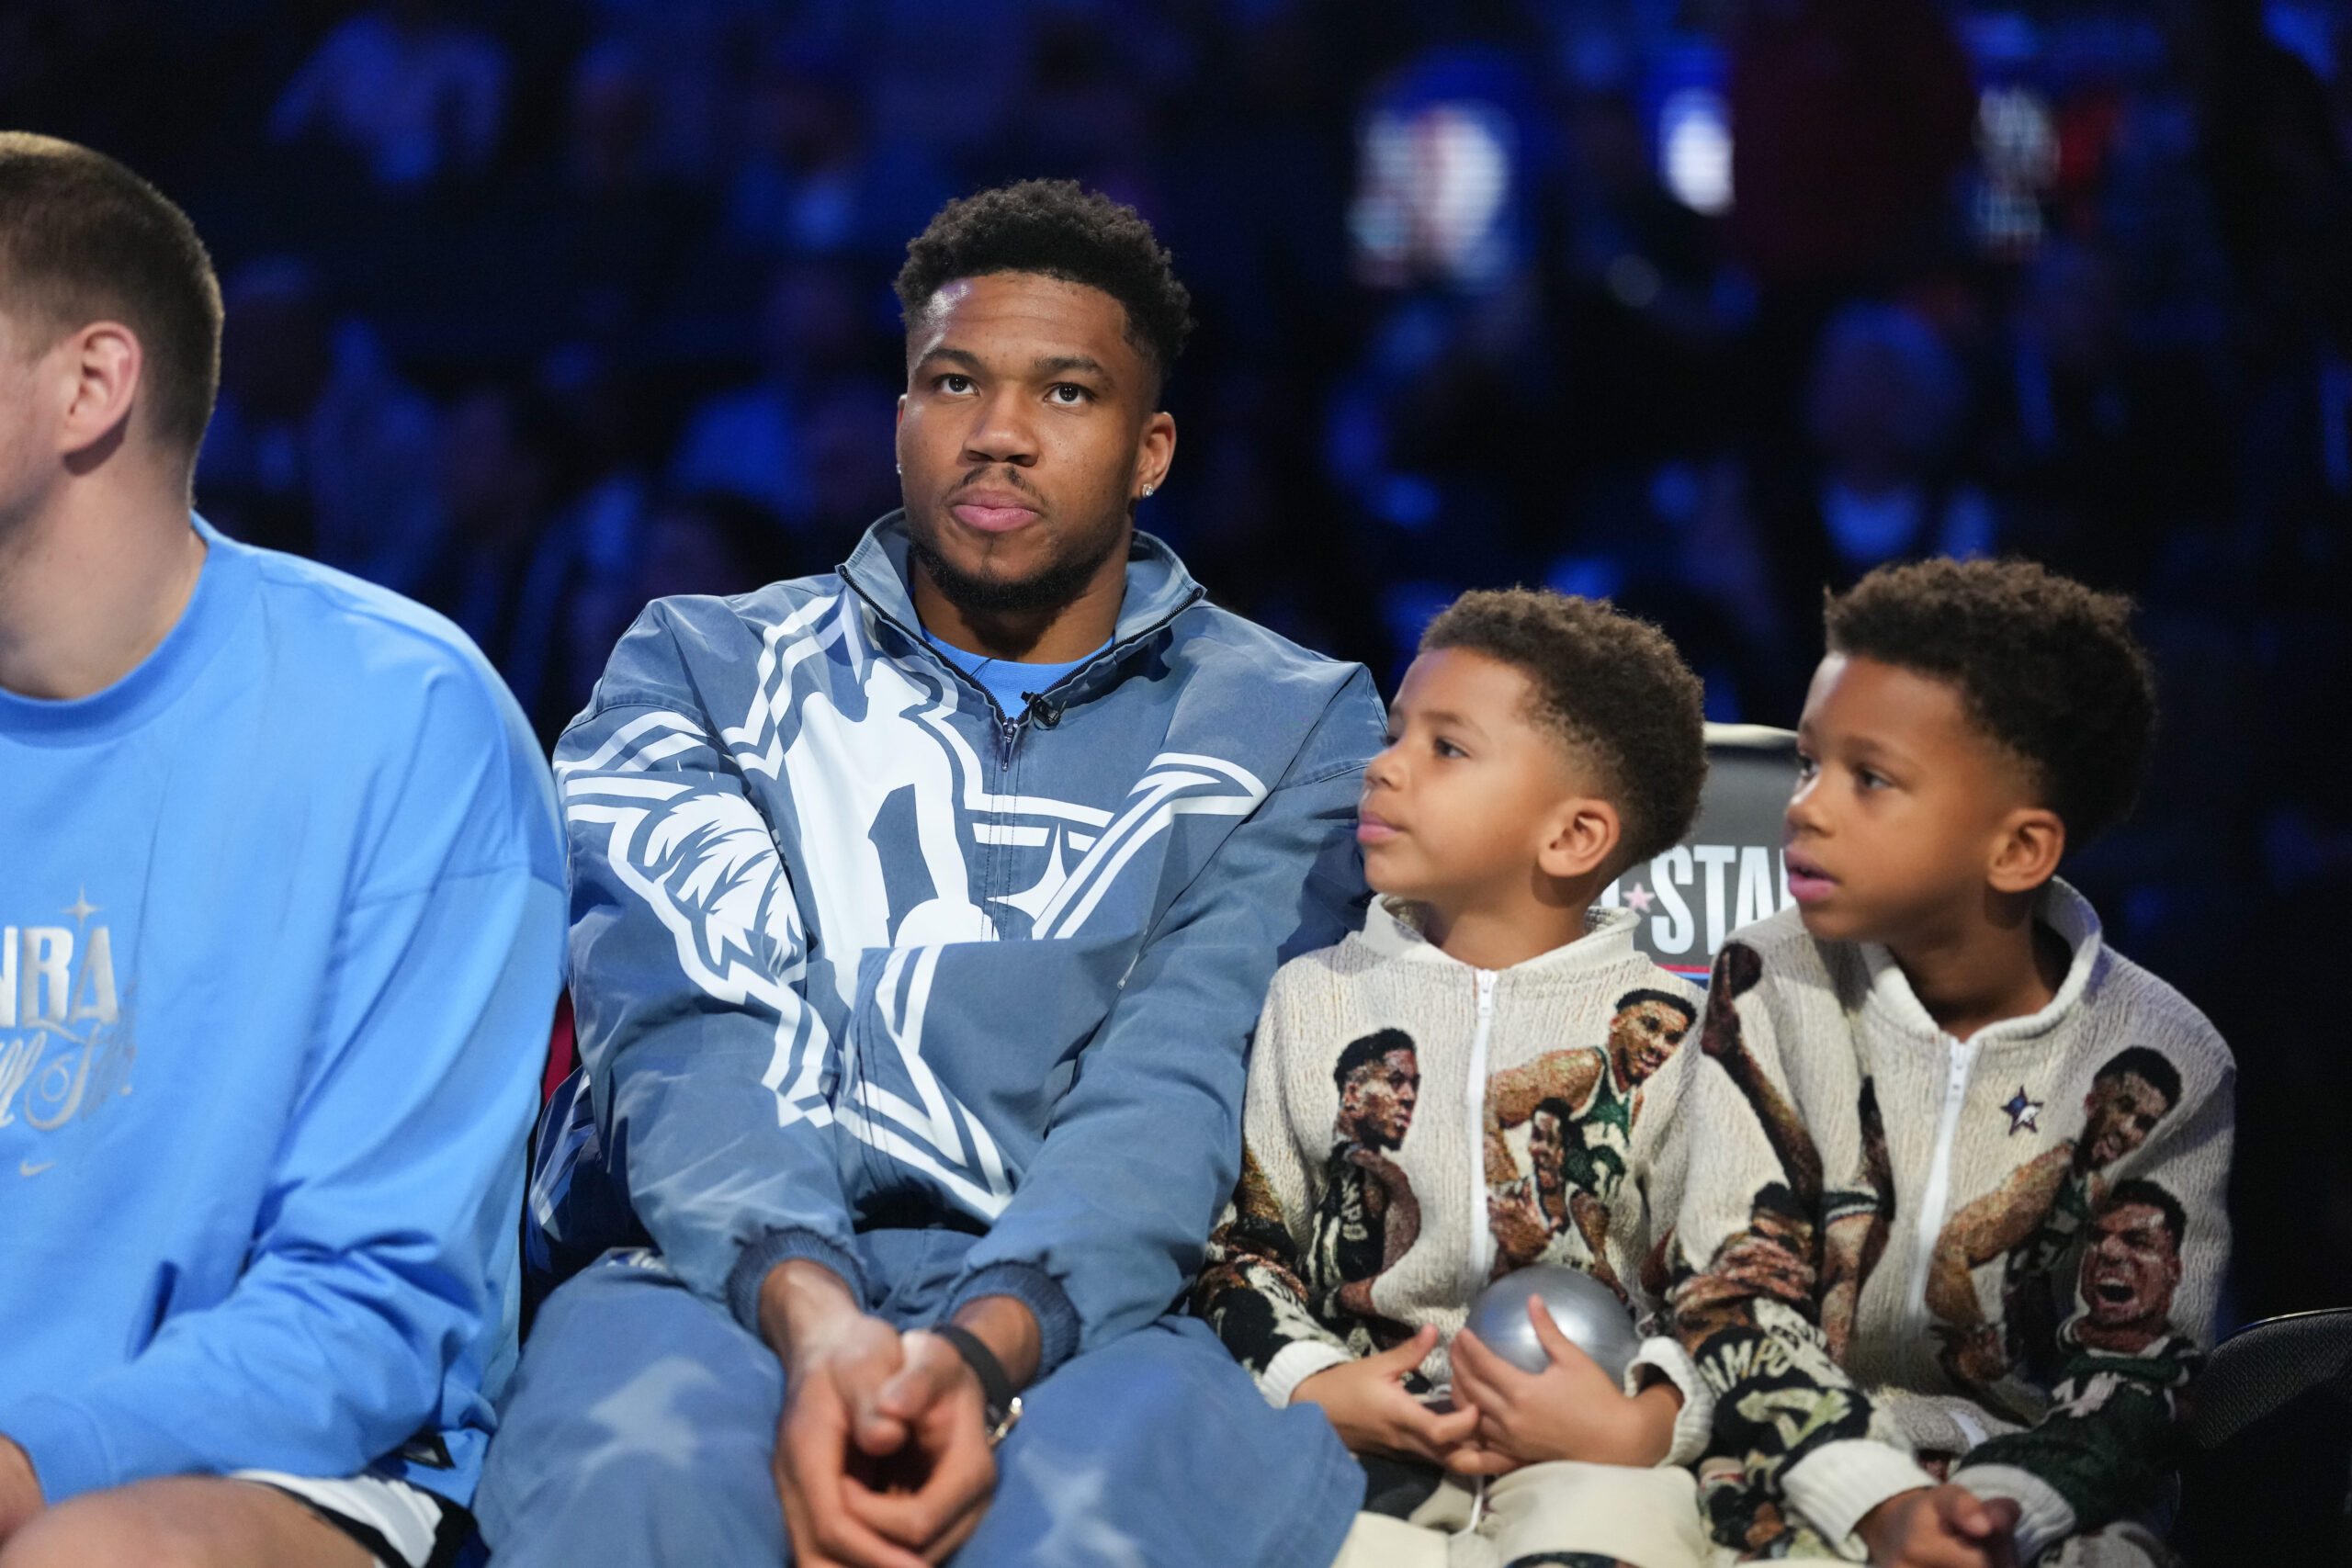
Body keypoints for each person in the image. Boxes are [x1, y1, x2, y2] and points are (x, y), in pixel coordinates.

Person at [480, 179, 1384, 1568]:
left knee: (1083, 1534)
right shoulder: (700, 667)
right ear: (900, 414)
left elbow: (1178, 1088)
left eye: (1066, 393)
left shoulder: (1291, 723)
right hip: (705, 1276)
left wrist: (978, 1347)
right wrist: (820, 1324)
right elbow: (689, 1040)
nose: (999, 433)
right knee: (635, 1485)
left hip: (1108, 1308)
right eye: (953, 382)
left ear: (1151, 451)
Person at [0, 133, 565, 1568]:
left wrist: (30, 1459)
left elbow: (373, 1309)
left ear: (91, 383)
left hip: (277, 1466)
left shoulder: (404, 716)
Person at [1665, 558, 2233, 1566]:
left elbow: (2137, 1372)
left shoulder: (2166, 1059)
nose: (1804, 807)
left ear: (2017, 850)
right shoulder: (1765, 979)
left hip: (2039, 1504)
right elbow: (1735, 1291)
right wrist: (1879, 1500)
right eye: (1808, 764)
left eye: (1870, 778)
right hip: (1793, 1468)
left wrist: (1995, 1510)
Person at [1195, 589, 1718, 1568]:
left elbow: (1728, 1286)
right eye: (1395, 733)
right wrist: (1312, 1381)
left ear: (1573, 836)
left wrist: (1642, 1423)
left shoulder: (1678, 1033)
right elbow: (1244, 1246)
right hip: (1358, 1434)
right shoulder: (1311, 998)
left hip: (1593, 1454)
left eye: (1446, 747)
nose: (1384, 765)